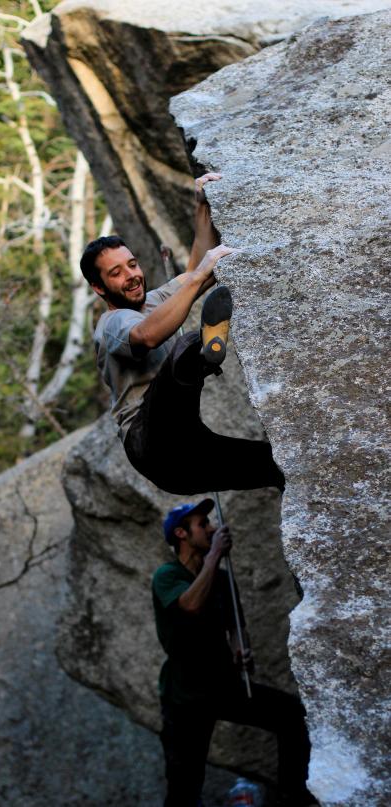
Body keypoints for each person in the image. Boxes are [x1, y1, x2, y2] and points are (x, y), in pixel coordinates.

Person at [80, 174, 284, 495]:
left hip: (187, 457)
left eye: (132, 265)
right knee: (186, 345)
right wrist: (197, 276)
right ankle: (199, 355)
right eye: (116, 273)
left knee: (275, 463)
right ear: (99, 287)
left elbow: (199, 273)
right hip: (151, 444)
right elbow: (147, 336)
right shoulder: (112, 325)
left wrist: (201, 204)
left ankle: (199, 358)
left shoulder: (155, 301)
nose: (131, 276)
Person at [153, 499, 317, 807]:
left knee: (292, 714)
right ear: (181, 534)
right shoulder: (167, 576)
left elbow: (235, 629)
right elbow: (189, 605)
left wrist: (242, 652)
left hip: (223, 685)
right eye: (203, 524)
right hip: (185, 697)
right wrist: (215, 554)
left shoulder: (223, 578)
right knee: (184, 786)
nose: (213, 529)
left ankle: (292, 797)